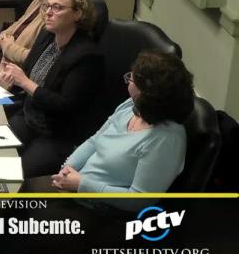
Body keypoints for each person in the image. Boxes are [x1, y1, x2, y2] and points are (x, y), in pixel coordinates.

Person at [51, 50, 194, 208]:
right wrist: (68, 167)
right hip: (75, 186)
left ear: (147, 92)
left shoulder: (167, 139)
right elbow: (94, 140)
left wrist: (82, 184)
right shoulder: (132, 105)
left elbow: (140, 199)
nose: (128, 81)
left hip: (102, 209)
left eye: (131, 78)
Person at [0, 0, 104, 178]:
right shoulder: (48, 36)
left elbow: (65, 105)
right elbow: (29, 70)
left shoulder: (87, 56)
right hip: (30, 115)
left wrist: (25, 82)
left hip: (57, 132)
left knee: (18, 174)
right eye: (48, 6)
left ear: (77, 14)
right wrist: (13, 73)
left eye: (57, 8)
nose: (48, 13)